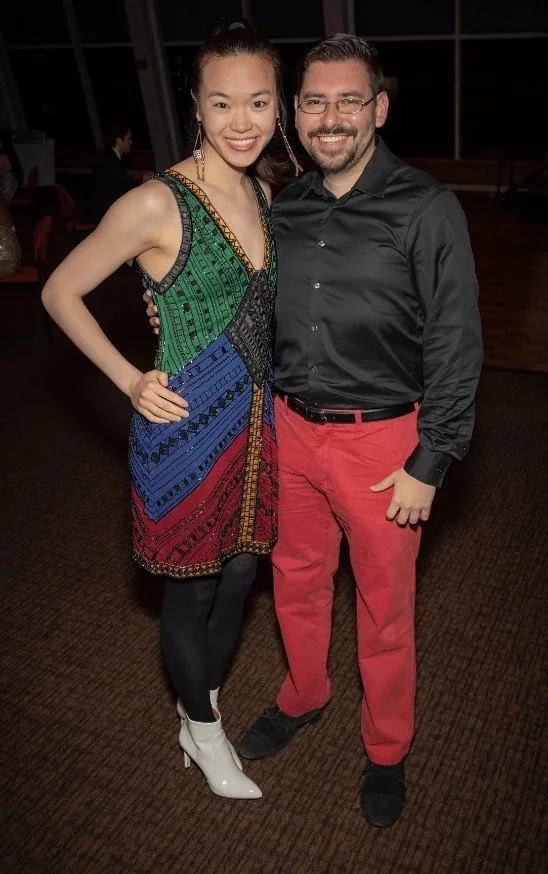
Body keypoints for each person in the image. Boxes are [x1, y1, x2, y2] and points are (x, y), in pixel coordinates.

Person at [148, 33, 483, 826]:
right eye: (314, 102)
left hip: (385, 447)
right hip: (289, 432)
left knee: (385, 607)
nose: (331, 117)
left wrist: (429, 461)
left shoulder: (427, 207)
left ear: (380, 109)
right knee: (293, 583)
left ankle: (388, 746)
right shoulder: (283, 204)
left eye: (349, 100)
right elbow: (231, 290)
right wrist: (162, 304)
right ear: (295, 114)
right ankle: (304, 693)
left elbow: (458, 344)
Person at [42, 19, 300, 800]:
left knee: (242, 572)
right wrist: (127, 378)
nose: (243, 121)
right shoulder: (158, 200)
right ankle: (206, 730)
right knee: (191, 587)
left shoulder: (263, 186)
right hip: (186, 430)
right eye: (223, 103)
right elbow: (60, 290)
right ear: (195, 105)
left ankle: (201, 710)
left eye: (259, 101)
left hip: (255, 428)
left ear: (278, 103)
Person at [90, 121, 150, 222]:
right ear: (119, 140)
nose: (131, 142)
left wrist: (137, 178)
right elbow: (129, 189)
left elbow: (118, 182)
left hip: (101, 207)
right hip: (106, 213)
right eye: (128, 139)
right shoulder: (111, 161)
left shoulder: (107, 157)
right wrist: (145, 180)